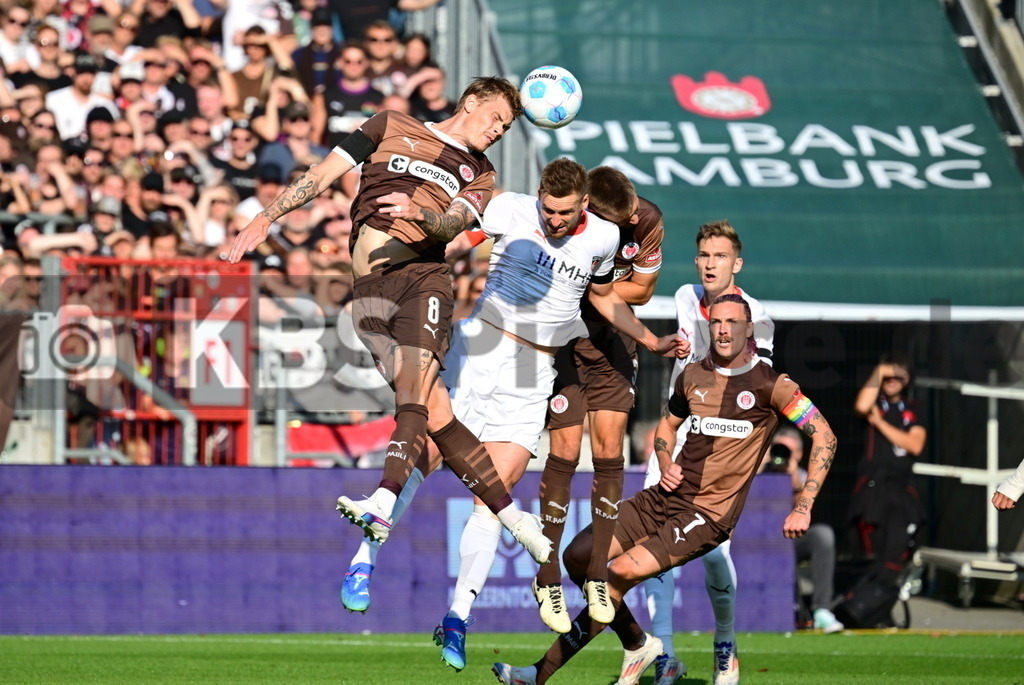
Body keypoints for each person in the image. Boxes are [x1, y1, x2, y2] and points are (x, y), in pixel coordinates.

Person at [337, 159, 683, 672]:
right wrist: (407, 237)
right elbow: (454, 236)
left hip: (534, 374)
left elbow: (606, 297)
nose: (554, 220)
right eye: (547, 208)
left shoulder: (604, 238)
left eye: (564, 212)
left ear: (584, 204)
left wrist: (651, 340)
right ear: (538, 195)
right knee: (425, 455)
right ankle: (363, 562)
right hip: (481, 351)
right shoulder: (508, 207)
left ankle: (457, 617)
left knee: (491, 495)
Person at [227, 75, 554, 579]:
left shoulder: (479, 173)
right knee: (438, 415)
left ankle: (382, 499)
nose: (498, 131)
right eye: (495, 118)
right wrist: (265, 218)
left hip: (422, 279)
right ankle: (515, 518)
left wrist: (420, 211)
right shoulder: (388, 125)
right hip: (368, 294)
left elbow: (450, 228)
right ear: (470, 103)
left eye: (507, 127)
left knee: (414, 398)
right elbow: (324, 172)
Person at [493, 294, 838, 685]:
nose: (723, 330)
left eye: (732, 322)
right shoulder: (693, 375)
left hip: (707, 515)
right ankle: (639, 643)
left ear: (749, 329)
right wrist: (667, 458)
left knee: (615, 575)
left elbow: (824, 436)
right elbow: (667, 426)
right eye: (716, 322)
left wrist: (804, 504)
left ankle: (538, 674)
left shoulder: (772, 385)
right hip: (662, 497)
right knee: (578, 556)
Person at [636, 220, 774, 685]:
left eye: (720, 256)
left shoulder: (757, 315)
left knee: (713, 555)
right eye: (704, 255)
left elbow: (757, 391)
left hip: (721, 447)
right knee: (649, 544)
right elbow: (686, 368)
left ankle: (726, 641)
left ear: (737, 263)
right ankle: (666, 654)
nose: (710, 263)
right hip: (674, 434)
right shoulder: (682, 296)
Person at [532, 167, 665, 635]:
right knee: (564, 452)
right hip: (565, 344)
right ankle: (547, 573)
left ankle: (596, 576)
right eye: (622, 218)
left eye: (634, 212)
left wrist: (585, 287)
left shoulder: (647, 218)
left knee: (610, 450)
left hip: (615, 344)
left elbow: (642, 292)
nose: (633, 221)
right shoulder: (566, 221)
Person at [849, 354, 927, 586]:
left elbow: (915, 444)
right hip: (871, 485)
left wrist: (881, 424)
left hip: (900, 487)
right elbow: (862, 406)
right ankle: (865, 597)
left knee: (899, 542)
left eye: (898, 376)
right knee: (869, 542)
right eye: (887, 376)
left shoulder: (913, 408)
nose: (892, 380)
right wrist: (880, 371)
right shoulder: (873, 404)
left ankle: (885, 595)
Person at [760, 424, 844, 633]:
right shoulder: (759, 470)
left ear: (799, 453)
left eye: (788, 451)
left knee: (823, 535)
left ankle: (822, 610)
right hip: (758, 540)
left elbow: (803, 510)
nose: (783, 456)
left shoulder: (804, 475)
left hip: (789, 538)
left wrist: (793, 478)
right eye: (779, 449)